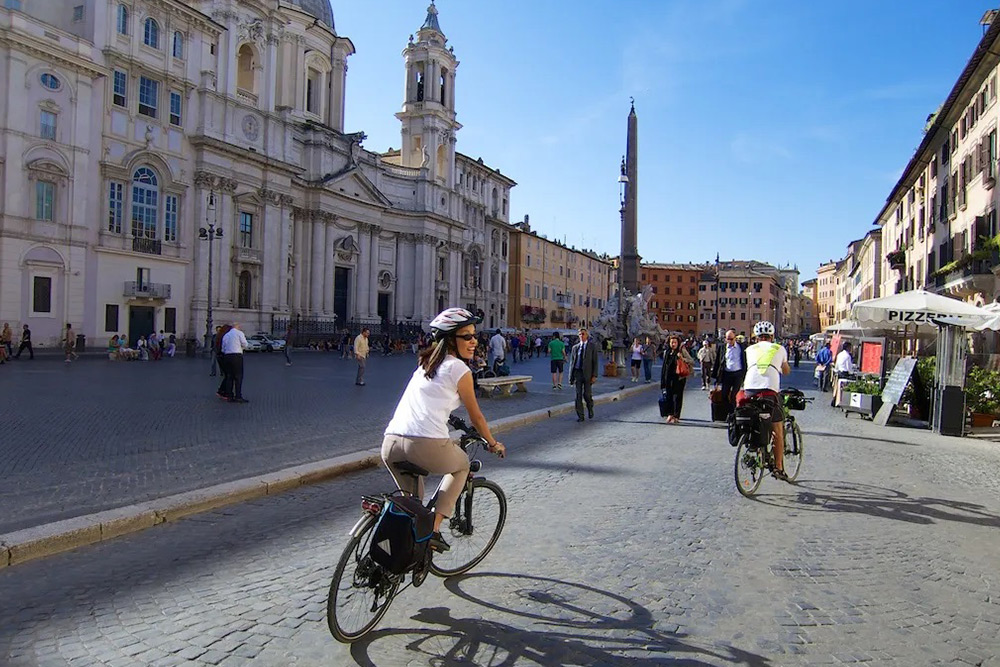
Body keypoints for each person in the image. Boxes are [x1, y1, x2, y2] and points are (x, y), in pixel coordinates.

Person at [382, 307, 504, 553]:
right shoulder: (459, 369)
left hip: (391, 443)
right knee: (462, 465)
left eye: (474, 336)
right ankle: (434, 530)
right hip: (424, 445)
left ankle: (400, 557)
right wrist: (492, 442)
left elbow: (430, 403)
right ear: (450, 340)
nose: (474, 342)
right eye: (466, 336)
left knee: (411, 508)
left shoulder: (424, 365)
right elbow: (477, 416)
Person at [739, 321, 791, 480]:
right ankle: (779, 467)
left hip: (749, 390)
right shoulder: (779, 348)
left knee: (754, 415)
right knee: (777, 429)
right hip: (769, 391)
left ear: (756, 337)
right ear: (772, 336)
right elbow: (786, 371)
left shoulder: (749, 349)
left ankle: (755, 443)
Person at [712, 329, 747, 420]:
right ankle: (729, 412)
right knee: (724, 395)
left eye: (731, 339)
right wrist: (715, 378)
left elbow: (746, 361)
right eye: (727, 339)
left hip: (738, 374)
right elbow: (718, 362)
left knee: (734, 395)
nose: (729, 341)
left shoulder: (742, 347)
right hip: (727, 373)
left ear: (735, 338)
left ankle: (734, 414)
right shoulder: (722, 347)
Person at [661, 334, 696, 424]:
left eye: (675, 342)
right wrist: (663, 380)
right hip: (668, 378)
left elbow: (692, 361)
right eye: (671, 342)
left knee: (677, 397)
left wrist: (682, 358)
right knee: (669, 396)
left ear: (678, 343)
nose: (673, 344)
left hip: (679, 378)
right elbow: (664, 367)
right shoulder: (667, 352)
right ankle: (670, 414)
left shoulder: (682, 351)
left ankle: (676, 416)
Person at [569, 327, 600, 422]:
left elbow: (595, 362)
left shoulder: (592, 347)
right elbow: (572, 363)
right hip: (578, 373)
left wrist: (594, 375)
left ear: (587, 335)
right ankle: (580, 415)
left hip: (588, 374)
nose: (581, 336)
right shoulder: (575, 348)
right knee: (578, 395)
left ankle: (590, 408)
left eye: (583, 334)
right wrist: (571, 377)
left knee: (587, 394)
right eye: (580, 334)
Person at [221, 322, 249, 403]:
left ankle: (229, 396)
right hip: (236, 356)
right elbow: (245, 344)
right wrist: (241, 347)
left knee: (229, 376)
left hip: (227, 356)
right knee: (238, 376)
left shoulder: (226, 335)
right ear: (237, 326)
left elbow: (223, 348)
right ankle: (238, 396)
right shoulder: (239, 333)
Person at [832, 341, 855, 407]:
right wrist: (852, 373)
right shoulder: (847, 356)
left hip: (839, 373)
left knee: (838, 389)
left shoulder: (840, 354)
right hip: (845, 374)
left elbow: (836, 365)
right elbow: (849, 368)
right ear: (848, 347)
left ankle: (836, 400)